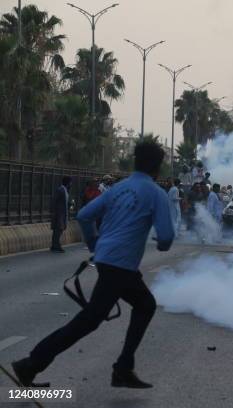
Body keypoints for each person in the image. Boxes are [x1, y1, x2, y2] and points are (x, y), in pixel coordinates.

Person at [11, 140, 175, 389]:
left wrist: (94, 243)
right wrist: (162, 245)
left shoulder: (118, 188)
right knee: (91, 320)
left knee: (140, 305)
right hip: (120, 265)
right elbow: (165, 236)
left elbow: (85, 215)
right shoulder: (156, 194)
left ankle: (122, 367)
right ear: (157, 166)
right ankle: (32, 363)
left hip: (107, 259)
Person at [50, 176, 72, 253]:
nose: (71, 184)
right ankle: (56, 245)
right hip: (59, 214)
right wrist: (53, 211)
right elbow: (54, 200)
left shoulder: (65, 190)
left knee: (59, 229)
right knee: (58, 229)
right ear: (68, 182)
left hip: (63, 213)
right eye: (70, 182)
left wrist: (69, 204)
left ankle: (54, 245)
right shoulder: (60, 190)